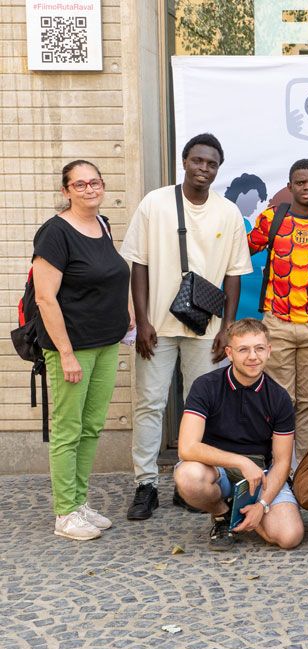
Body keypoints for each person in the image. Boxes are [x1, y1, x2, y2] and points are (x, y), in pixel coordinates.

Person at [120, 133, 252, 520]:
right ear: (184, 161)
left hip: (207, 329)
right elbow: (139, 263)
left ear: (218, 169)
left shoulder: (228, 212)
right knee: (149, 403)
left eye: (211, 164)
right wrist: (143, 319)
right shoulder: (155, 203)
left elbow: (234, 274)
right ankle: (145, 484)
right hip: (156, 327)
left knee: (202, 407)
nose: (203, 168)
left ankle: (188, 481)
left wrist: (227, 328)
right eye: (197, 160)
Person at [32, 160, 130, 540]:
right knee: (68, 429)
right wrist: (66, 354)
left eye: (95, 182)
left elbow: (109, 276)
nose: (90, 189)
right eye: (80, 184)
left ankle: (79, 502)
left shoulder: (102, 224)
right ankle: (65, 513)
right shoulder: (55, 233)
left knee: (91, 427)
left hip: (105, 344)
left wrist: (127, 314)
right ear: (66, 191)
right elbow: (45, 297)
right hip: (72, 348)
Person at [173, 319, 304, 551]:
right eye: (243, 349)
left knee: (289, 537)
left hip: (260, 473)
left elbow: (283, 462)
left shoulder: (279, 397)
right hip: (217, 468)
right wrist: (240, 462)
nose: (253, 356)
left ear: (269, 350)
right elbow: (187, 447)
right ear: (229, 353)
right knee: (187, 477)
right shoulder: (206, 386)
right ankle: (222, 514)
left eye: (259, 348)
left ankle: (244, 512)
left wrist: (261, 505)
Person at [248, 159, 308, 459]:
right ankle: (278, 470)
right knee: (280, 402)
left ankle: (303, 473)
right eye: (301, 182)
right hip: (277, 322)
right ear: (290, 186)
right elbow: (240, 250)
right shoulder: (271, 219)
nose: (307, 187)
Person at [224, 173, 268, 321]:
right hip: (234, 292)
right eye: (254, 200)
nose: (255, 206)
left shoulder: (246, 223)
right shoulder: (233, 222)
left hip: (252, 293)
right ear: (241, 195)